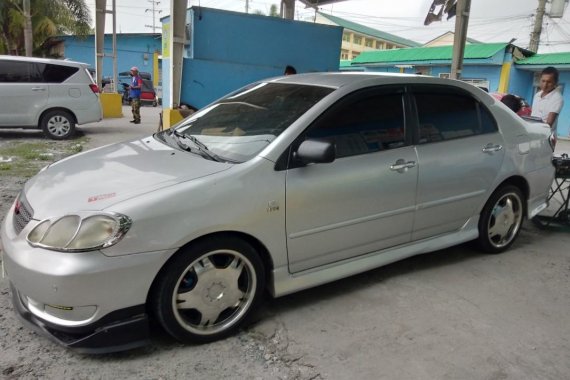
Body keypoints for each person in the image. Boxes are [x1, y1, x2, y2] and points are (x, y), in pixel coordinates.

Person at [531, 66, 564, 135]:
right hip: (532, 133)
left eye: (549, 82)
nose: (545, 85)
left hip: (545, 136)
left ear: (556, 82)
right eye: (543, 81)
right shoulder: (537, 95)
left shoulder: (557, 98)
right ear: (540, 80)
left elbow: (549, 124)